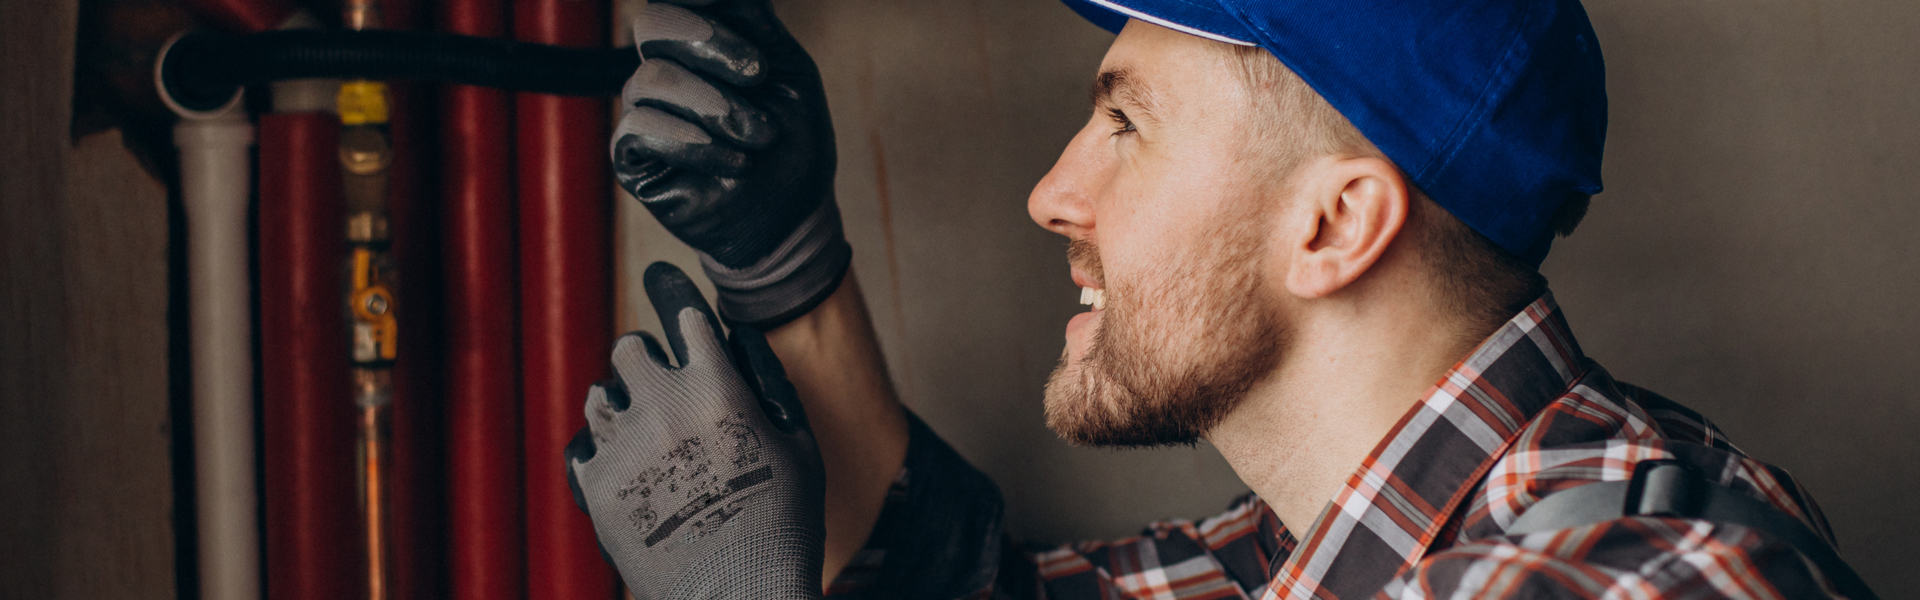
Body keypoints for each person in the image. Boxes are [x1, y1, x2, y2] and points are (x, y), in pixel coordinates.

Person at [563, 0, 1865, 597]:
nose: (1052, 194)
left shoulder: (1650, 576)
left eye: (1125, 125)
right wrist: (789, 265)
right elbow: (942, 586)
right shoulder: (1305, 556)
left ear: (1336, 224)